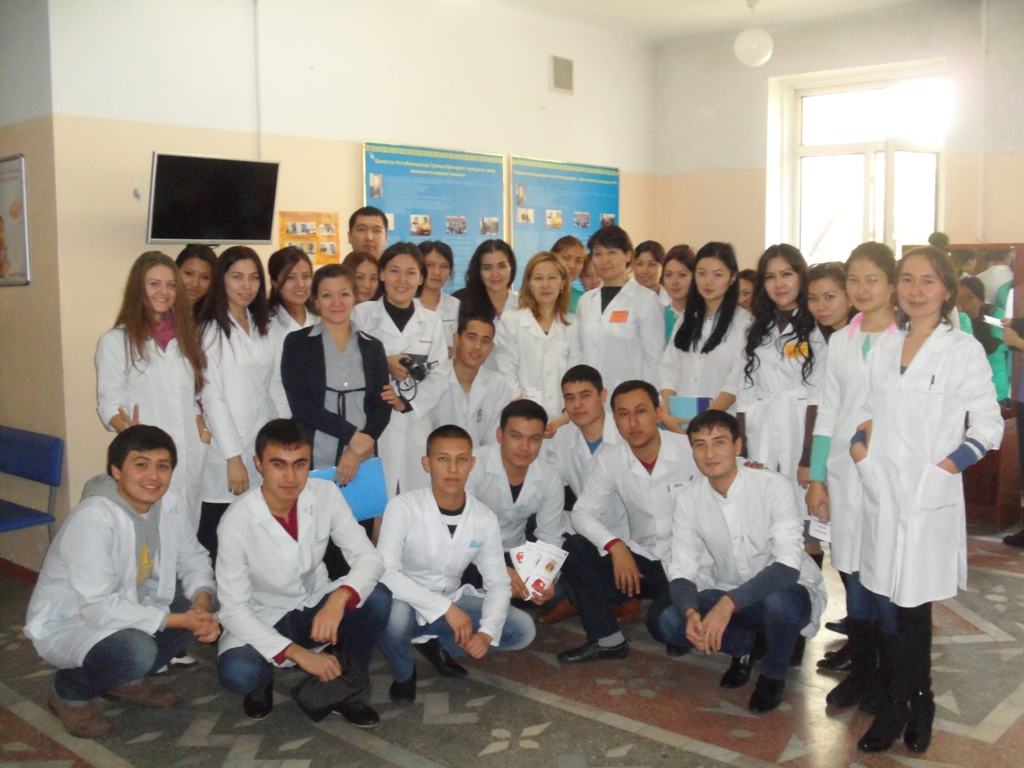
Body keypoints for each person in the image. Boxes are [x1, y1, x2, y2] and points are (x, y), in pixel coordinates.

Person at [850, 246, 1002, 754]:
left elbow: (988, 426)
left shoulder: (962, 350)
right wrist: (860, 447)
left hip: (926, 497)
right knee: (889, 604)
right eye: (908, 279)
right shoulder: (885, 346)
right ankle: (912, 698)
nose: (916, 291)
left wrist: (944, 470)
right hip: (882, 494)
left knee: (912, 609)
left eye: (928, 281)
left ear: (947, 290)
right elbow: (867, 408)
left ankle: (907, 703)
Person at [25, 426, 220, 738]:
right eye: (141, 465)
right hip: (76, 619)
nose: (153, 476)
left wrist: (202, 603)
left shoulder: (168, 503)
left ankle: (125, 681)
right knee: (136, 651)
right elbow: (99, 608)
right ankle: (68, 693)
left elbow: (193, 558)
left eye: (163, 466)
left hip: (132, 602)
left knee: (205, 598)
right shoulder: (94, 518)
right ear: (116, 470)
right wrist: (181, 620)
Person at [215, 419, 391, 726]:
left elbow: (369, 557)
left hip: (314, 605)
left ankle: (345, 692)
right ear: (258, 464)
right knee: (239, 671)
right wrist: (298, 653)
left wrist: (339, 598)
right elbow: (233, 610)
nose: (290, 477)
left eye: (300, 464)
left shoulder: (325, 493)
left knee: (377, 597)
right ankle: (263, 679)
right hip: (264, 614)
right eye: (278, 464)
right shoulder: (236, 522)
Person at [659, 410, 828, 712]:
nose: (710, 454)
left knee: (780, 603)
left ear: (738, 446)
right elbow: (682, 568)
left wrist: (728, 604)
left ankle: (773, 674)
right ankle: (745, 648)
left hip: (785, 592)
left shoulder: (772, 485)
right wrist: (690, 612)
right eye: (700, 445)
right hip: (730, 590)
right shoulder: (688, 500)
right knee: (671, 622)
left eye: (719, 442)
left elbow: (787, 567)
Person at [376, 424, 536, 700]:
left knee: (522, 630)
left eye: (461, 459)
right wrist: (444, 608)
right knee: (394, 617)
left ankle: (438, 645)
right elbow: (386, 573)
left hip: (451, 601)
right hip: (405, 602)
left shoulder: (483, 518)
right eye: (443, 459)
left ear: (472, 464)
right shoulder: (403, 507)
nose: (453, 469)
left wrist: (486, 634)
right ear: (427, 463)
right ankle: (404, 672)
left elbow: (499, 583)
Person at [804, 242, 899, 704]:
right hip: (843, 474)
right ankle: (862, 671)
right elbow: (828, 412)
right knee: (851, 569)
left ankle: (891, 679)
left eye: (871, 280)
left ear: (891, 284)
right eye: (854, 280)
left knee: (888, 575)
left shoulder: (906, 339)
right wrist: (817, 477)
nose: (861, 289)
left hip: (890, 476)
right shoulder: (842, 340)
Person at [557, 381, 698, 663]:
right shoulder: (612, 459)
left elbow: (733, 471)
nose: (633, 423)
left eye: (641, 411)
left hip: (691, 566)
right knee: (575, 548)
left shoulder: (691, 450)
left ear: (659, 413)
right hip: (645, 561)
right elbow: (582, 513)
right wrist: (615, 546)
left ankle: (677, 617)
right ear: (615, 419)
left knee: (663, 625)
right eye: (623, 414)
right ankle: (608, 640)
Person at [96, 251, 209, 531]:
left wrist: (202, 432)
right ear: (139, 288)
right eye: (154, 284)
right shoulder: (115, 341)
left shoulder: (187, 338)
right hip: (147, 460)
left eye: (170, 285)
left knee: (186, 536)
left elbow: (190, 396)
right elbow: (109, 403)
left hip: (188, 455)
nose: (164, 292)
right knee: (150, 538)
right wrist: (130, 433)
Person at [196, 246, 280, 562]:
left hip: (261, 440)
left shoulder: (262, 324)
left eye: (254, 278)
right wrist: (233, 457)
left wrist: (285, 435)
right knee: (221, 534)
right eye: (237, 277)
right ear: (222, 280)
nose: (246, 286)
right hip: (225, 450)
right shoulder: (210, 330)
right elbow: (212, 397)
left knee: (254, 532)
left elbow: (274, 386)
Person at [738, 245, 826, 532]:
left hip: (799, 430)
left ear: (801, 276)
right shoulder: (757, 329)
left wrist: (808, 457)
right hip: (762, 429)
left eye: (786, 274)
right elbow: (745, 395)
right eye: (770, 277)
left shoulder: (817, 326)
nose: (779, 284)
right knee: (765, 517)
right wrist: (743, 451)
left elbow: (817, 398)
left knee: (804, 523)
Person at [539, 365, 633, 625]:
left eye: (585, 395)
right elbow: (551, 483)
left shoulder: (626, 433)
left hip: (628, 537)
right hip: (587, 528)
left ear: (603, 396)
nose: (577, 405)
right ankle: (579, 596)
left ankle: (622, 596)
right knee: (537, 518)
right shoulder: (563, 438)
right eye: (569, 398)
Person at [281, 264, 391, 484]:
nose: (336, 302)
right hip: (312, 454)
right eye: (327, 295)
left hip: (362, 455)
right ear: (315, 300)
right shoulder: (297, 343)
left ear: (355, 297)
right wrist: (351, 436)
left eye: (344, 294)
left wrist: (358, 449)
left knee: (361, 506)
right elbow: (301, 405)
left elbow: (381, 404)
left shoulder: (373, 347)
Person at [353, 242, 448, 497]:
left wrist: (405, 403)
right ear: (382, 274)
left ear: (421, 279)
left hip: (415, 426)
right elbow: (348, 365)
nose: (402, 280)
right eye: (394, 271)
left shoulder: (431, 321)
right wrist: (384, 363)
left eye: (411, 272)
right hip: (372, 426)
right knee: (375, 504)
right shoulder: (361, 315)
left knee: (415, 503)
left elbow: (440, 376)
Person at [465, 400, 568, 603]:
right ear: (500, 435)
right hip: (471, 553)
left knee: (556, 591)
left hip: (512, 551)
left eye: (534, 439)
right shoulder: (473, 464)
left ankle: (493, 597)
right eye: (516, 436)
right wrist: (498, 570)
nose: (525, 447)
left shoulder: (549, 476)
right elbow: (460, 530)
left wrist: (543, 578)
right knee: (460, 573)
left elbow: (550, 535)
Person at [659, 242, 752, 433]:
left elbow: (735, 382)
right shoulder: (686, 318)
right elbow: (669, 368)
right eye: (701, 273)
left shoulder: (744, 323)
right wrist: (668, 411)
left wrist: (703, 422)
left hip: (719, 426)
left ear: (732, 277)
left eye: (717, 275)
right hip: (679, 423)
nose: (708, 282)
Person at [576, 226, 665, 401]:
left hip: (629, 399)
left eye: (612, 253)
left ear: (628, 255)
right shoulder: (585, 301)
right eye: (598, 254)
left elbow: (654, 359)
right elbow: (579, 352)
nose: (604, 260)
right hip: (589, 399)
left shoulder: (646, 300)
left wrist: (647, 400)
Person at [493, 251, 582, 424]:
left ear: (563, 283)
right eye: (538, 278)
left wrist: (565, 417)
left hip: (565, 420)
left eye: (552, 278)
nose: (545, 285)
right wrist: (525, 412)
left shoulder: (573, 324)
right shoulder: (512, 321)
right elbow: (505, 371)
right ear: (529, 284)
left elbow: (577, 375)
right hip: (522, 418)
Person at [433, 315, 512, 448]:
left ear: (491, 347)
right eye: (471, 337)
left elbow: (493, 442)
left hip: (480, 460)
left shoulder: (498, 384)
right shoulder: (434, 379)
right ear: (456, 339)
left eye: (485, 341)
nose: (477, 346)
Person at [267, 246, 318, 416]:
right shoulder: (265, 325)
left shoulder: (320, 320)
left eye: (306, 276)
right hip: (282, 416)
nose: (300, 284)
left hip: (322, 418)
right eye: (290, 277)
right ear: (275, 283)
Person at [957, 276, 1010, 401]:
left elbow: (990, 348)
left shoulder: (996, 314)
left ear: (980, 298)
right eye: (959, 299)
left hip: (995, 389)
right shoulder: (958, 318)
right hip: (968, 390)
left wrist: (975, 318)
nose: (965, 303)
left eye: (970, 298)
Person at [454, 239, 518, 323]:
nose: (495, 274)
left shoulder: (523, 306)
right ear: (478, 271)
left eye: (502, 266)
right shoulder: (460, 303)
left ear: (511, 268)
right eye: (487, 268)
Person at [416, 240, 461, 354]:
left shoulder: (457, 306)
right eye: (430, 265)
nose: (437, 272)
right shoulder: (405, 303)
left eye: (444, 266)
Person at [808, 262, 853, 341]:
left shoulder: (867, 332)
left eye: (829, 297)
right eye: (813, 299)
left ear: (850, 297)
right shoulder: (812, 333)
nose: (820, 307)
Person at [662, 245, 695, 342]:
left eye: (682, 275)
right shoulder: (659, 315)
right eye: (668, 275)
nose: (674, 282)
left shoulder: (703, 316)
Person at [175, 244, 217, 314]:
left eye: (205, 277)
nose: (195, 284)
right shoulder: (161, 307)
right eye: (189, 273)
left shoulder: (218, 314)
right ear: (175, 271)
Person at [551, 235, 587, 313]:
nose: (572, 266)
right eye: (566, 258)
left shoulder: (583, 300)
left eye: (578, 261)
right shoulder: (540, 294)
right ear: (552, 258)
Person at [632, 240, 671, 307]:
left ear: (663, 267)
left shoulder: (672, 299)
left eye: (651, 264)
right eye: (639, 264)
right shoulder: (624, 299)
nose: (645, 271)